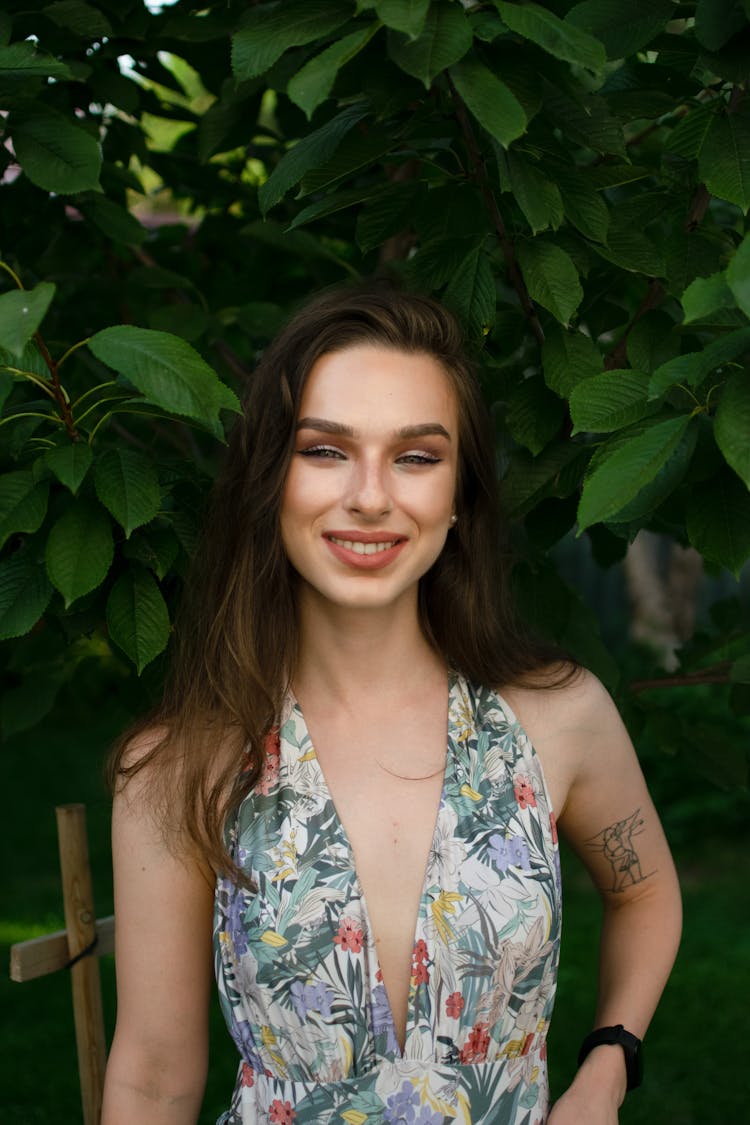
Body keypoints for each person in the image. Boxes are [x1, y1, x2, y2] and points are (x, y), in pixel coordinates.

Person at [101, 282, 682, 1125]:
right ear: (270, 478)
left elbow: (647, 893)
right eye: (326, 450)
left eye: (416, 456)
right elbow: (152, 1076)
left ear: (460, 494)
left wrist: (606, 1068)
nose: (371, 496)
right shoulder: (177, 769)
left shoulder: (560, 720)